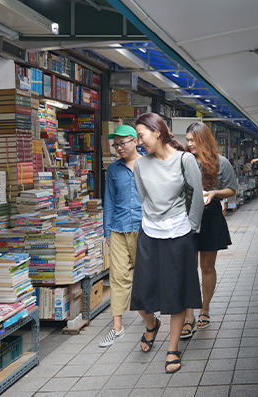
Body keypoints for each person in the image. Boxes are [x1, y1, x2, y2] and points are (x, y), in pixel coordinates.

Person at [130, 113, 204, 374]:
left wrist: (189, 225)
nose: (140, 142)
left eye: (141, 135)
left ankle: (172, 349)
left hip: (179, 233)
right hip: (150, 233)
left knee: (176, 294)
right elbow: (143, 197)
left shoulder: (185, 160)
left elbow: (195, 197)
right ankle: (152, 326)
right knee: (140, 293)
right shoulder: (140, 165)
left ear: (157, 132)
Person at [181, 122, 238, 339]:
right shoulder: (183, 161)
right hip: (185, 218)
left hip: (210, 216)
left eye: (193, 140)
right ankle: (189, 315)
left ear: (204, 140)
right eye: (187, 140)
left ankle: (204, 309)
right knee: (188, 267)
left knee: (207, 266)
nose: (189, 144)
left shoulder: (220, 163)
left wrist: (214, 193)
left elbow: (232, 189)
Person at [100, 125, 143, 348]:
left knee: (145, 275)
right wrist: (107, 232)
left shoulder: (149, 164)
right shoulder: (113, 170)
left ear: (135, 141)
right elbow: (108, 201)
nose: (118, 148)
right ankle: (117, 326)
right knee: (117, 276)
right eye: (115, 144)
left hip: (143, 228)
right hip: (118, 228)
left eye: (122, 143)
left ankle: (150, 318)